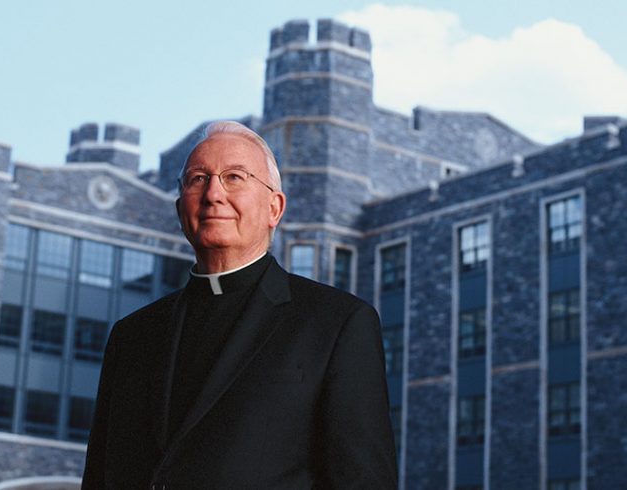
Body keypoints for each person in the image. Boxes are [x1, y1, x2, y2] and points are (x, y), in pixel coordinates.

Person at [81, 121, 397, 489]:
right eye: (198, 179)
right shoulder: (131, 335)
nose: (213, 193)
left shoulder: (336, 324)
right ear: (180, 205)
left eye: (234, 177)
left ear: (274, 208)